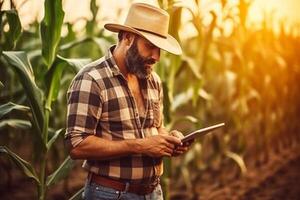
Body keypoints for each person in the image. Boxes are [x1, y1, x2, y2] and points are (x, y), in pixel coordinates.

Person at [65, 3, 192, 200]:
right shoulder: (92, 79)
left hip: (154, 193)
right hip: (109, 193)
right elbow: (77, 145)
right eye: (150, 46)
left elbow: (156, 128)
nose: (156, 57)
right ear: (128, 38)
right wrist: (140, 145)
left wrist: (171, 140)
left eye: (159, 49)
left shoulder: (153, 80)